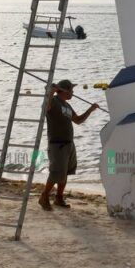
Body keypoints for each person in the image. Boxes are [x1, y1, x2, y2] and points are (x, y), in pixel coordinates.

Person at [38, 79, 98, 211]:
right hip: (57, 144)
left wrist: (91, 110)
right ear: (64, 90)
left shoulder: (67, 106)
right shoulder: (53, 101)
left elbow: (78, 121)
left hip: (69, 143)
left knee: (65, 173)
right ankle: (44, 196)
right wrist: (50, 93)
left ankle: (59, 198)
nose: (73, 92)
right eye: (71, 90)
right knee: (56, 173)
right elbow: (45, 109)